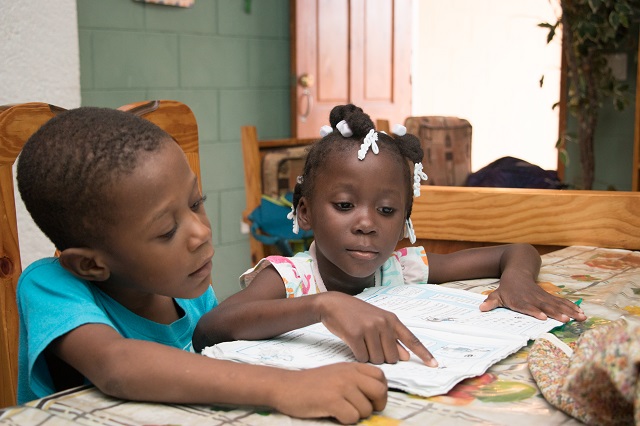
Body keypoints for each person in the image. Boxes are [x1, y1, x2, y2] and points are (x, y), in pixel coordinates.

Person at [14, 106, 388, 425]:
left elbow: (224, 338)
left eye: (196, 202)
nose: (201, 232)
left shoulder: (185, 289)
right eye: (166, 230)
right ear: (91, 265)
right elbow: (117, 365)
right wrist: (284, 386)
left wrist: (321, 308)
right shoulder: (51, 285)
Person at [193, 104, 587, 365]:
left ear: (404, 224)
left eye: (386, 211)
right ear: (306, 212)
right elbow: (210, 328)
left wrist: (516, 279)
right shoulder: (291, 278)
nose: (367, 224)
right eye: (345, 205)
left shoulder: (403, 268)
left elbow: (515, 251)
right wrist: (322, 305)